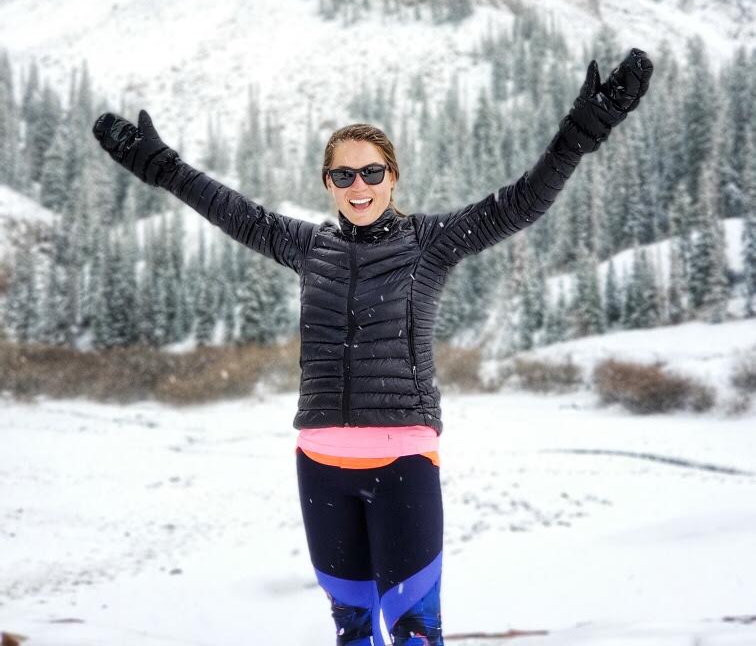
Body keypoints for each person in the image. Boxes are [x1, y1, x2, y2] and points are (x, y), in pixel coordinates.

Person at [92, 48, 653, 646]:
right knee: (352, 632)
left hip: (403, 466)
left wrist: (580, 134)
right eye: (343, 175)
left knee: (414, 632)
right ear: (328, 183)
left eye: (371, 173)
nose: (358, 186)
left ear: (393, 176)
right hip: (320, 467)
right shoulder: (309, 248)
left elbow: (521, 203)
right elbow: (232, 211)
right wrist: (163, 167)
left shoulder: (431, 243)